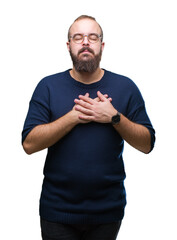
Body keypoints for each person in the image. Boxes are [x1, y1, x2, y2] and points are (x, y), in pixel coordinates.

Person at [22, 15, 155, 240]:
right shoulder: (48, 86)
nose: (85, 42)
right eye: (78, 37)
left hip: (107, 212)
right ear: (69, 46)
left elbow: (147, 144)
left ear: (101, 46)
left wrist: (114, 117)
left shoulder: (125, 87)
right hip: (57, 212)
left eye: (92, 37)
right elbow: (29, 144)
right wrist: (73, 117)